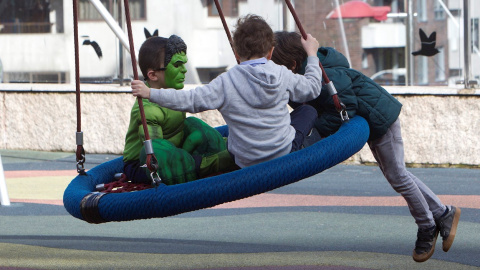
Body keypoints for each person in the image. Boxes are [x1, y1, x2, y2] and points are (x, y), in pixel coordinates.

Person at [271, 31, 461, 263]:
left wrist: (315, 131)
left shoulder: (322, 77)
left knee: (397, 175)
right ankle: (443, 213)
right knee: (397, 174)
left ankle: (427, 224)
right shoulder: (303, 76)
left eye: (276, 67)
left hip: (380, 116)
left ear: (292, 64)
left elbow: (343, 108)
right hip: (370, 118)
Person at [131, 14, 322, 168]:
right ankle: (307, 145)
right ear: (271, 52)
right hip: (282, 153)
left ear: (236, 53)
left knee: (236, 133)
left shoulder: (225, 82)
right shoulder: (281, 74)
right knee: (308, 111)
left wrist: (150, 93)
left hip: (243, 160)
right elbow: (313, 88)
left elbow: (190, 100)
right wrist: (312, 54)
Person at [123, 34, 235, 185]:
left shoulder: (175, 97)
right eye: (177, 65)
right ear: (153, 75)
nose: (184, 70)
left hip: (175, 149)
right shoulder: (148, 109)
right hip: (144, 164)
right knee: (158, 151)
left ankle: (226, 148)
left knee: (195, 125)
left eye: (184, 64)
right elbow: (153, 153)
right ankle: (212, 162)